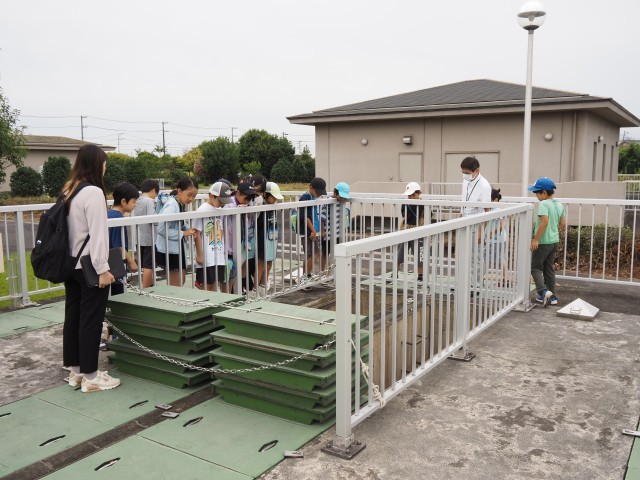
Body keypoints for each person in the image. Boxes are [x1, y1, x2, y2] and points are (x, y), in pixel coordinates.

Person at [62, 144, 119, 393]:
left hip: (71, 264)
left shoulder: (69, 189)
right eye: (104, 163)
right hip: (90, 267)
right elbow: (98, 233)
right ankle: (92, 376)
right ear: (96, 164)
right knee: (91, 321)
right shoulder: (93, 192)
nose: (105, 168)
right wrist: (102, 268)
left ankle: (76, 371)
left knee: (74, 319)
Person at [529, 177, 565, 307]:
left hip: (543, 242)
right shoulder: (559, 204)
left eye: (537, 193)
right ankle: (552, 296)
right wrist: (552, 230)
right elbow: (562, 223)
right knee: (548, 268)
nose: (536, 195)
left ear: (544, 192)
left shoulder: (544, 204)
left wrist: (535, 239)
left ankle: (543, 292)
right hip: (554, 241)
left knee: (535, 268)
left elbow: (544, 222)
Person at [155, 177, 198, 286]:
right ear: (179, 191)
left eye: (194, 196)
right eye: (189, 195)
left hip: (174, 248)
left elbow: (179, 223)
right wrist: (183, 233)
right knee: (177, 282)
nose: (191, 199)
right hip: (171, 250)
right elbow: (161, 228)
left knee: (179, 280)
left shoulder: (179, 203)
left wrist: (187, 228)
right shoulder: (172, 206)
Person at [193, 181, 234, 292]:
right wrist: (200, 255)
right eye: (221, 201)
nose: (222, 204)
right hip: (207, 256)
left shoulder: (219, 210)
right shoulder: (202, 210)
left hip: (218, 255)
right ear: (212, 196)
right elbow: (197, 233)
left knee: (215, 284)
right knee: (207, 285)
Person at [460, 157, 492, 293]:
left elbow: (487, 210)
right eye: (463, 172)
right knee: (464, 255)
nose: (465, 175)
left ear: (477, 170)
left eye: (467, 173)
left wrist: (481, 231)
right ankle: (465, 284)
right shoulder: (466, 181)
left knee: (476, 257)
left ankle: (476, 286)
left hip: (477, 224)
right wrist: (461, 214)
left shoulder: (484, 185)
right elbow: (464, 199)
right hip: (465, 222)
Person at [224, 181, 257, 293]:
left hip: (242, 240)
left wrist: (249, 210)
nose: (248, 200)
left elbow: (252, 219)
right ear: (238, 193)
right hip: (229, 243)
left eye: (251, 198)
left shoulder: (249, 204)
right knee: (231, 271)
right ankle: (230, 295)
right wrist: (238, 209)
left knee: (242, 265)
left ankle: (242, 289)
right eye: (246, 197)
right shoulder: (229, 204)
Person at [108, 182, 139, 295]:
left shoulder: (109, 214)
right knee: (118, 296)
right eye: (133, 202)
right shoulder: (119, 219)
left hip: (107, 266)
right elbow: (119, 246)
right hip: (116, 267)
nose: (135, 205)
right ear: (123, 201)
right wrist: (131, 262)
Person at [255, 181, 284, 292]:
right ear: (265, 194)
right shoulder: (260, 206)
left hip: (272, 236)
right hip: (262, 237)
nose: (275, 199)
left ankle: (263, 286)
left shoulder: (273, 206)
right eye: (273, 197)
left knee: (269, 262)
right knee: (261, 263)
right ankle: (255, 289)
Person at [132, 179, 159, 288]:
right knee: (149, 265)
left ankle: (149, 284)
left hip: (139, 237)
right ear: (153, 190)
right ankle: (145, 288)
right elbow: (153, 219)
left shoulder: (137, 200)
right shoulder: (149, 201)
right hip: (149, 238)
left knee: (143, 264)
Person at [298, 177, 326, 278]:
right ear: (311, 187)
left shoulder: (311, 197)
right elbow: (305, 217)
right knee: (315, 253)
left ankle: (306, 275)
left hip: (310, 230)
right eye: (317, 192)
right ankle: (306, 276)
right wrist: (313, 230)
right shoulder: (305, 198)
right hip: (308, 231)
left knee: (309, 254)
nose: (318, 195)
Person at [397, 182, 424, 282]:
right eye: (409, 195)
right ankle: (395, 273)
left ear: (419, 193)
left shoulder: (424, 204)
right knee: (399, 253)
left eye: (413, 194)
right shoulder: (405, 203)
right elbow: (405, 216)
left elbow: (426, 217)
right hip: (406, 229)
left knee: (419, 255)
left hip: (419, 230)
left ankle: (420, 276)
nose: (411, 197)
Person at [319, 182, 351, 271]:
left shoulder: (341, 202)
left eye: (344, 197)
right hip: (328, 233)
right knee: (325, 253)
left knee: (337, 252)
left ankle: (336, 270)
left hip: (337, 232)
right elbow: (322, 217)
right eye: (341, 197)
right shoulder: (327, 202)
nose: (342, 199)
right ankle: (322, 271)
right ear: (335, 192)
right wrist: (322, 231)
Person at [485, 188, 509, 285]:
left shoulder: (497, 209)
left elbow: (502, 225)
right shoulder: (491, 208)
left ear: (495, 199)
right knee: (489, 257)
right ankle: (505, 278)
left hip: (498, 239)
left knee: (498, 258)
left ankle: (505, 279)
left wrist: (490, 233)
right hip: (493, 239)